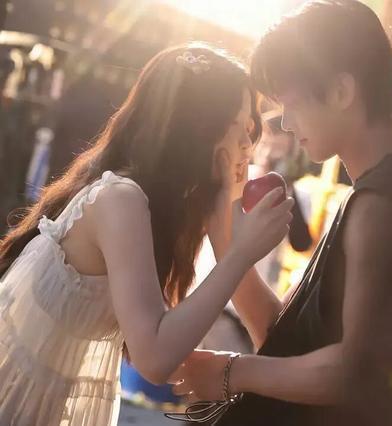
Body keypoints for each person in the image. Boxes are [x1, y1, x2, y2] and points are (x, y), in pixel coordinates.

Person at [0, 42, 294, 426]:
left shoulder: (154, 206)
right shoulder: (121, 198)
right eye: (240, 126)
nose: (247, 146)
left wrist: (223, 229)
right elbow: (155, 358)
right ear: (198, 127)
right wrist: (240, 251)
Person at [169, 1, 392, 424]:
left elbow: (357, 370)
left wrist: (234, 371)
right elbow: (282, 337)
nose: (285, 123)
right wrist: (222, 233)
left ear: (341, 92)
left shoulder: (380, 204)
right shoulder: (368, 196)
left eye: (291, 103)